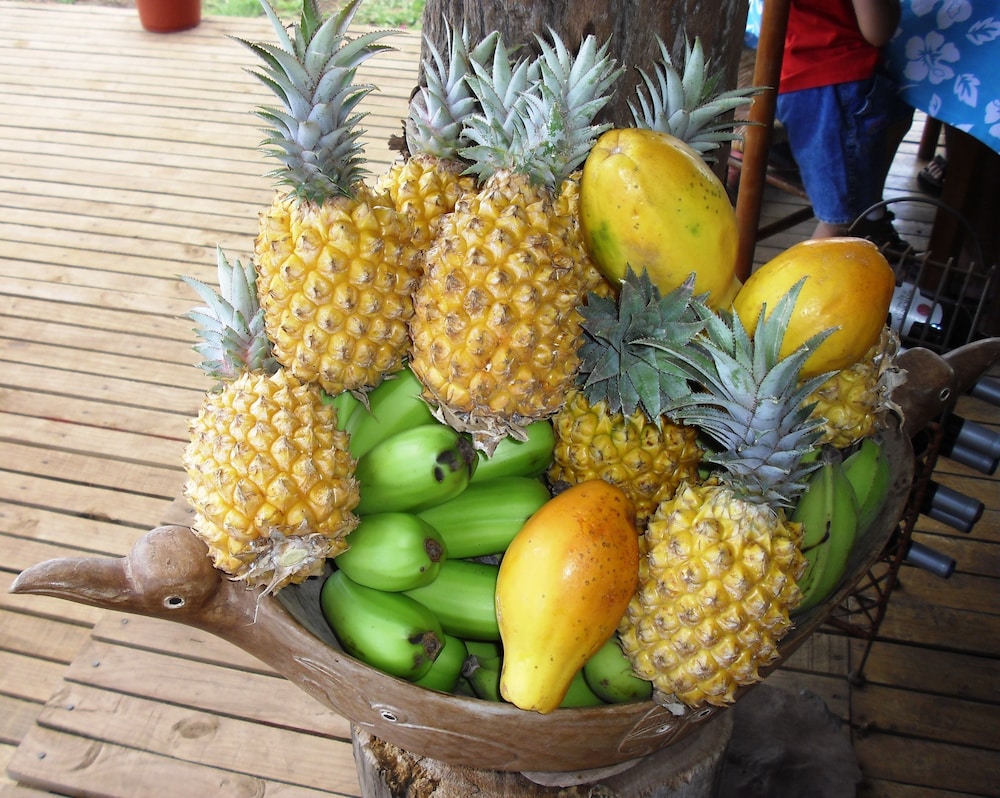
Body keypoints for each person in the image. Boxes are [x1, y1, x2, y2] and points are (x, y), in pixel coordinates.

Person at [775, 0, 913, 246]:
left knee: (843, 208)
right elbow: (878, 31)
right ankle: (808, 274)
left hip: (796, 75)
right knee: (838, 222)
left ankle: (872, 219)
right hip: (836, 83)